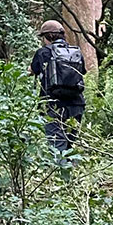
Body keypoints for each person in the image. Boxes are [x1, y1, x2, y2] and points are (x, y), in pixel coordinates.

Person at [31, 19, 87, 158]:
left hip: (53, 105)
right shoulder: (75, 52)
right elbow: (83, 72)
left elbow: (32, 70)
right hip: (76, 104)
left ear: (47, 37)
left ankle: (61, 177)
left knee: (57, 146)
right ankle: (72, 175)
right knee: (69, 146)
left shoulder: (42, 53)